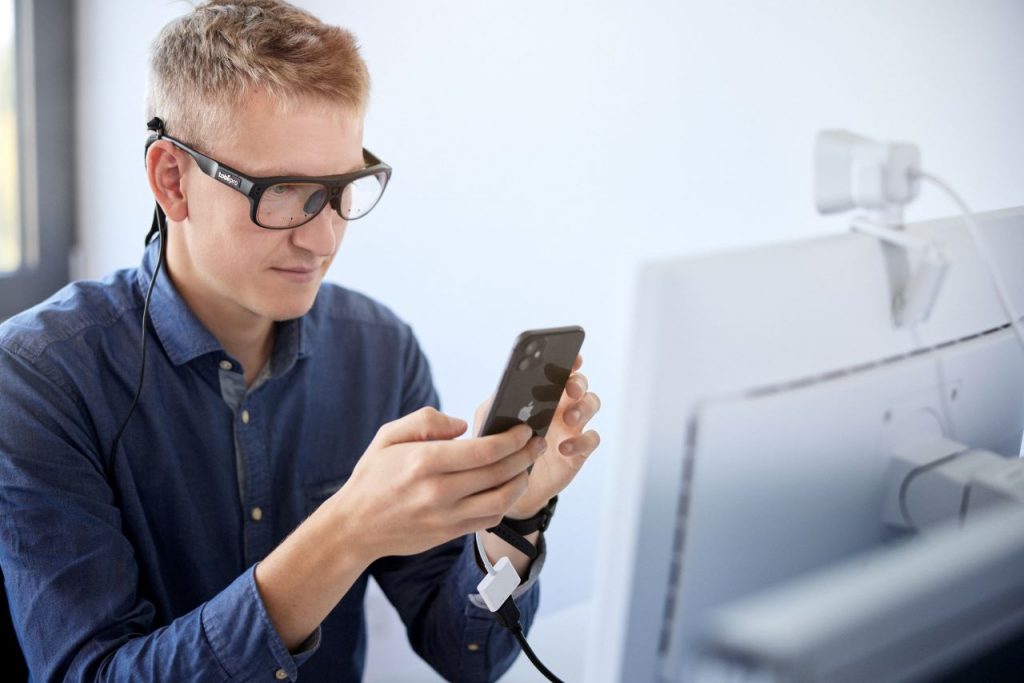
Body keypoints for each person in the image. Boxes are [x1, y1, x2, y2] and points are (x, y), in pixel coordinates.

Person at [0, 1, 602, 681]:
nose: (322, 239)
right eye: (283, 191)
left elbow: (465, 651)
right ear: (172, 179)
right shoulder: (36, 375)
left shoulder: (379, 351)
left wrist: (512, 520)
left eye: (344, 187)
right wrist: (346, 531)